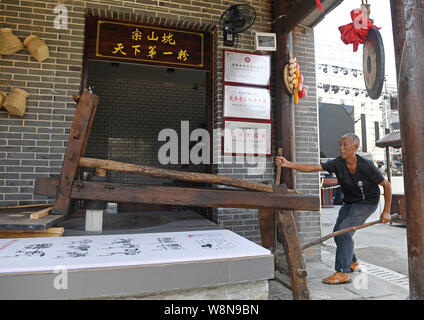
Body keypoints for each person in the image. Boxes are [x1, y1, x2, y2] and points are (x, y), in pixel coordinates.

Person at [275, 133, 392, 284]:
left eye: (345, 145)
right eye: (340, 144)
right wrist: (288, 164)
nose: (341, 148)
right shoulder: (338, 163)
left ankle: (343, 272)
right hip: (349, 202)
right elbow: (312, 167)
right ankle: (352, 262)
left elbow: (386, 185)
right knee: (339, 233)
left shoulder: (366, 165)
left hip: (367, 203)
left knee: (344, 232)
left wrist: (386, 211)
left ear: (354, 148)